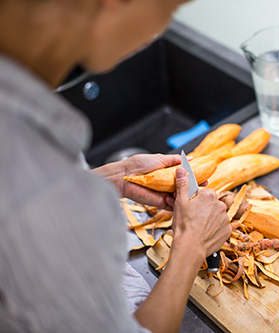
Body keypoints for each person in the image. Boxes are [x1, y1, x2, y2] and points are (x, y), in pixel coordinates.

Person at [0, 0, 231, 332]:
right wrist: (191, 245)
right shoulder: (38, 188)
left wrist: (114, 177)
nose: (161, 28)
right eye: (170, 7)